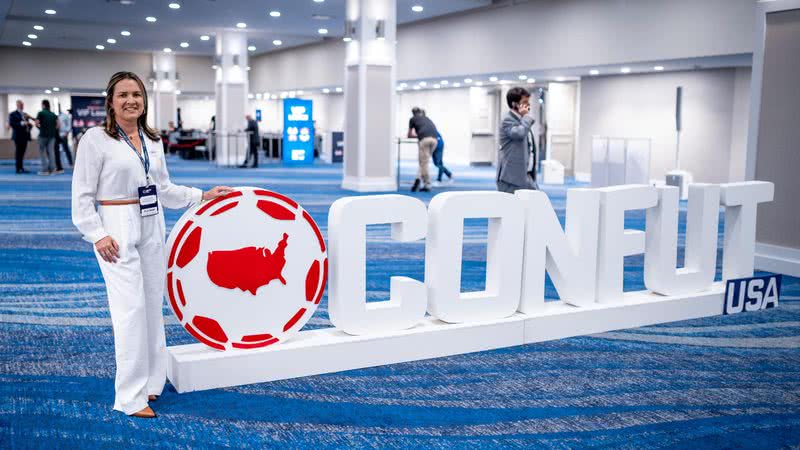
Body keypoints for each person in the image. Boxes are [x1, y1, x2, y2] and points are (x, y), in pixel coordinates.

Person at [71, 71, 232, 419]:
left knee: (150, 304)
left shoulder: (152, 139)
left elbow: (164, 189)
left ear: (144, 101)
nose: (131, 100)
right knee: (129, 309)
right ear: (110, 102)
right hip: (116, 225)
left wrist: (202, 196)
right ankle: (130, 397)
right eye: (123, 95)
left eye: (137, 95)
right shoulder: (95, 139)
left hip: (151, 221)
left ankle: (152, 381)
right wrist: (97, 234)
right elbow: (81, 195)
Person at [497, 87, 538, 193]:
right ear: (514, 104)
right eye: (524, 102)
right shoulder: (508, 120)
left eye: (528, 102)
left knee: (536, 198)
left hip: (525, 174)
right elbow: (519, 134)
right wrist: (526, 117)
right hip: (511, 177)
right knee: (513, 203)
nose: (528, 105)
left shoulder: (521, 120)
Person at [407, 107, 438, 192]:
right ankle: (417, 179)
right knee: (424, 162)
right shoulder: (426, 118)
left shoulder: (412, 119)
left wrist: (419, 136)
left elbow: (409, 135)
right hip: (435, 140)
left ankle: (427, 184)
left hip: (425, 140)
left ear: (413, 113)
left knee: (424, 163)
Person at [8, 99, 33, 174]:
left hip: (25, 136)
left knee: (22, 152)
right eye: (21, 105)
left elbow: (28, 124)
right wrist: (22, 123)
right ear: (17, 105)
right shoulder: (13, 114)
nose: (22, 106)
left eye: (23, 105)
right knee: (18, 152)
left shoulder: (25, 114)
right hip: (18, 136)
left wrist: (29, 126)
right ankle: (18, 168)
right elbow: (12, 124)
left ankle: (21, 167)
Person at [36, 100, 59, 175]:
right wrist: (52, 130)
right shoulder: (53, 114)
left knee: (42, 153)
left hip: (42, 135)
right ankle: (52, 169)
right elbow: (58, 125)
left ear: (43, 105)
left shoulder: (41, 113)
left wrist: (40, 128)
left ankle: (45, 170)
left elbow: (37, 123)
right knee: (51, 152)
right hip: (52, 136)